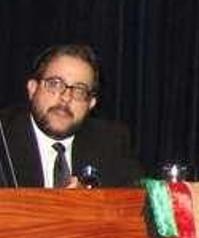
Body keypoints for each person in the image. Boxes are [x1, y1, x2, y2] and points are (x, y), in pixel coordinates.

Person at [0, 44, 141, 188]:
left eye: (79, 90)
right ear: (32, 88)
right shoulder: (4, 134)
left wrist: (90, 204)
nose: (66, 97)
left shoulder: (111, 142)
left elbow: (133, 205)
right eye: (55, 84)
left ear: (91, 103)